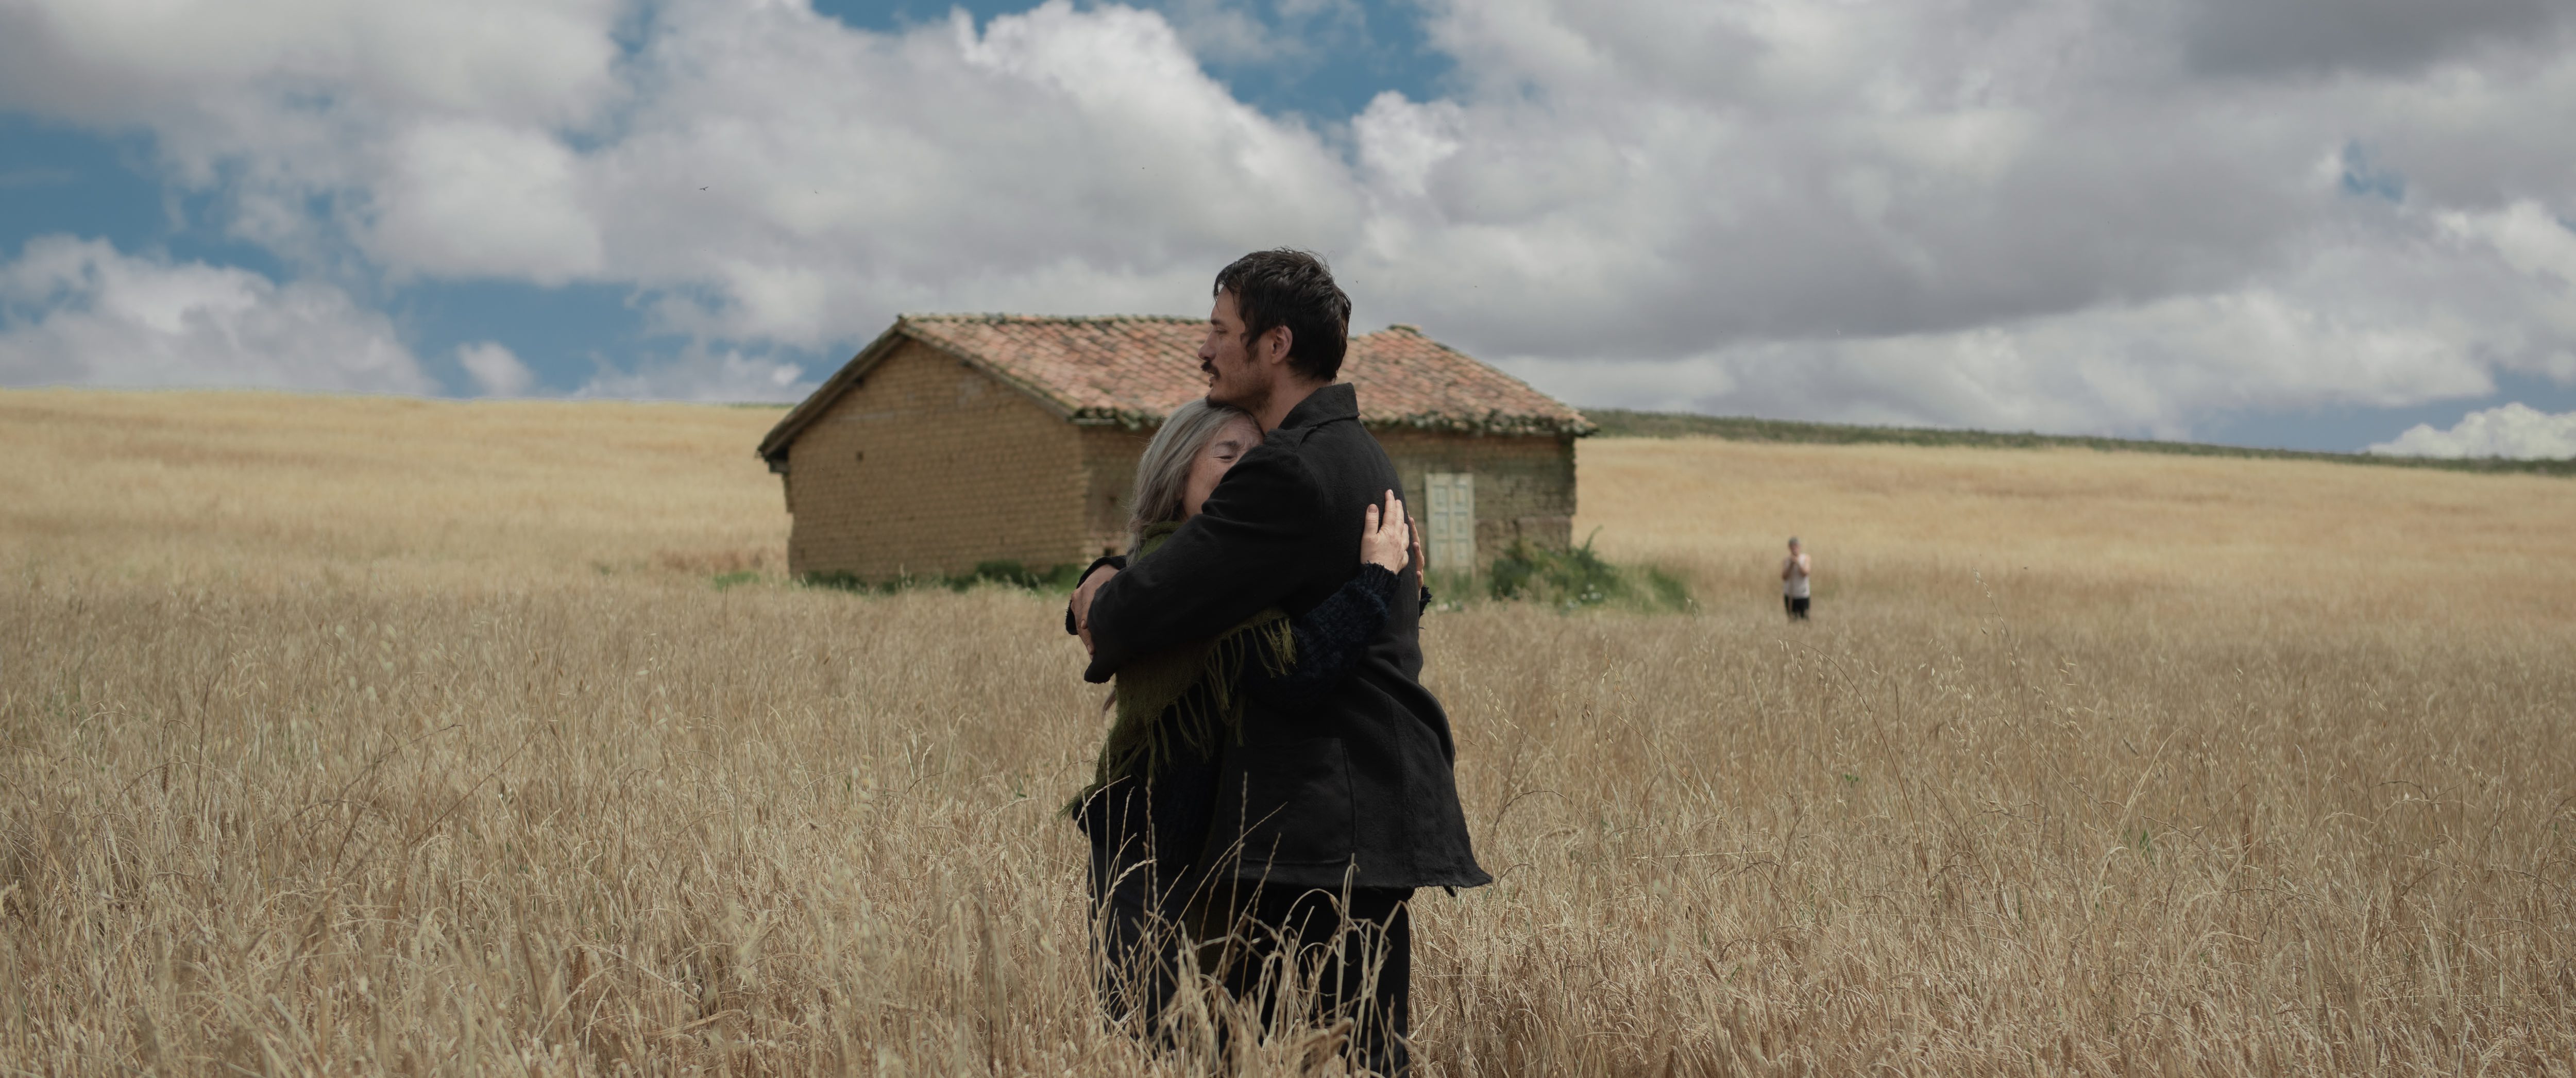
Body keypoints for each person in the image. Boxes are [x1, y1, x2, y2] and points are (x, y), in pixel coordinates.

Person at [1071, 249, 1489, 1074]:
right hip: (1346, 820)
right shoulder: (1354, 452)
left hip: (1320, 825)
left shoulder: (1290, 469)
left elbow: (1149, 610)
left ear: (1274, 344)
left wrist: (1097, 593)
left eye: (1222, 332)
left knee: (1326, 1055)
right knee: (1343, 1055)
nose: (1204, 350)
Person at [1062, 398, 1417, 1049]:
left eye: (1259, 462)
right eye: (1227, 457)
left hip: (1192, 849)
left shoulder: (1195, 572)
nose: (1248, 475)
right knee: (1167, 1043)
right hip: (1152, 850)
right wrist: (1375, 581)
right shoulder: (1189, 582)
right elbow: (1298, 668)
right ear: (1175, 474)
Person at [1782, 536, 1812, 620]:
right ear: (1789, 548)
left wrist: (1798, 563)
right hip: (1790, 594)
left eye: (1796, 546)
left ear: (1799, 547)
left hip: (1802, 594)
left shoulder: (1806, 558)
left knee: (1804, 618)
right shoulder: (1787, 560)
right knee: (1792, 618)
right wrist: (1791, 565)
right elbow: (1784, 577)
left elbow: (1805, 573)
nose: (1794, 548)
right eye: (1792, 546)